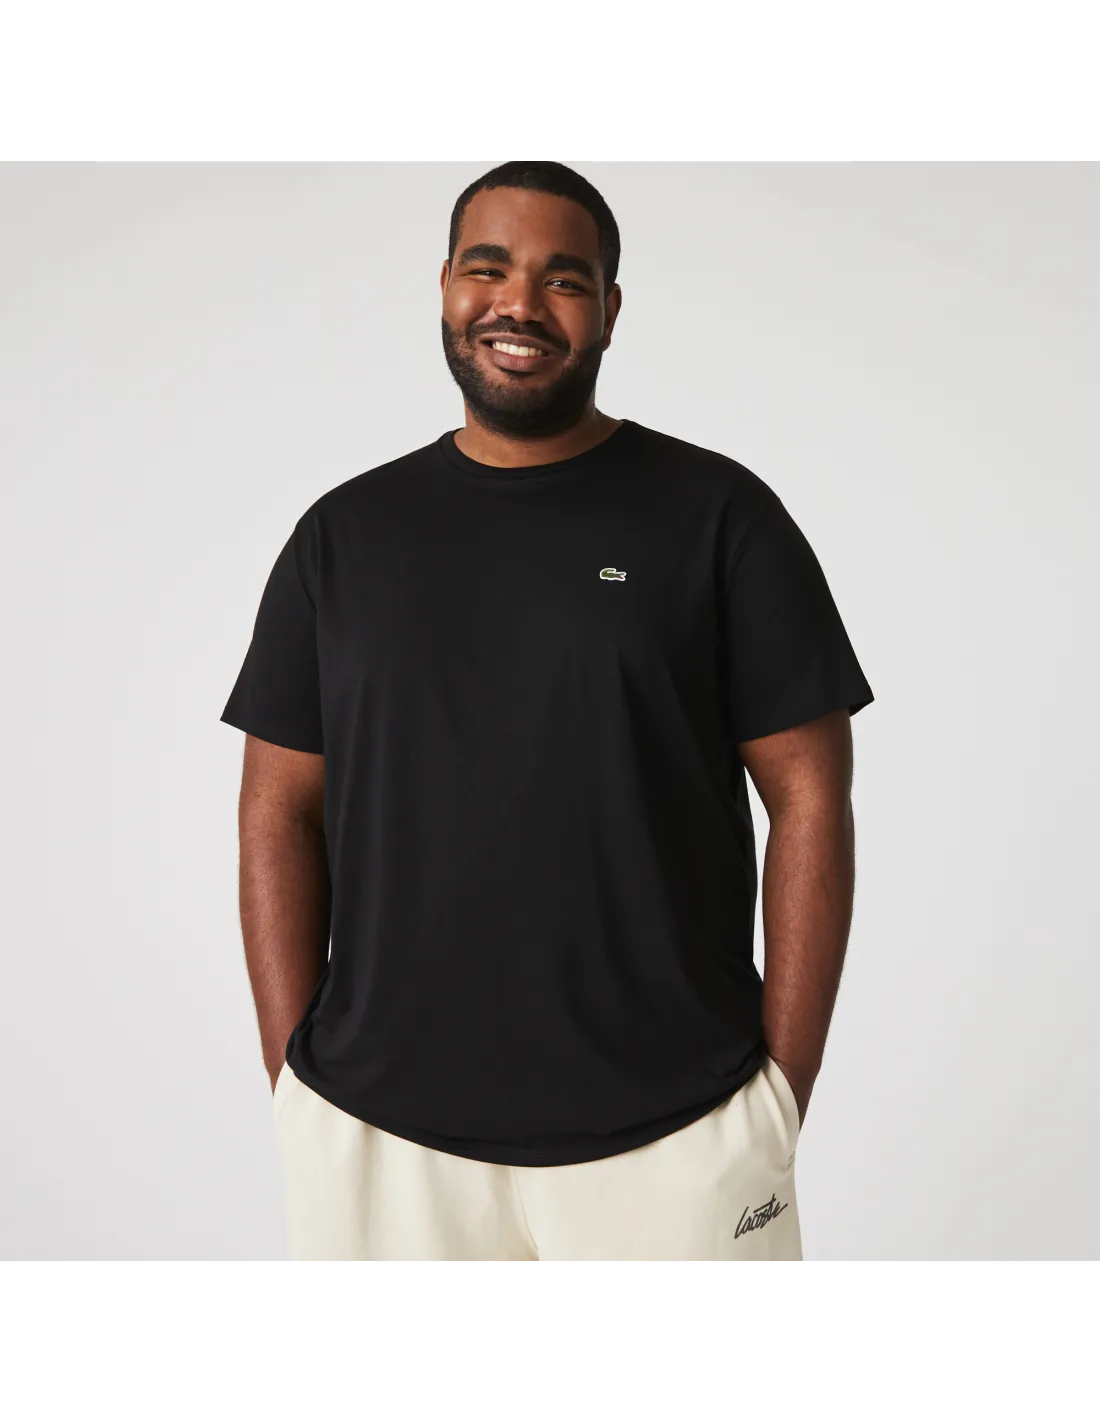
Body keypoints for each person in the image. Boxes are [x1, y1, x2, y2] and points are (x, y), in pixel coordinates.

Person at [220, 159, 875, 1263]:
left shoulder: (718, 517)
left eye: (562, 280)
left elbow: (811, 795)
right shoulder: (343, 536)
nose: (518, 303)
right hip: (377, 1136)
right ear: (444, 288)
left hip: (679, 1131)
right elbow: (275, 809)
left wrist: (776, 1095)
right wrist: (296, 1082)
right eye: (488, 269)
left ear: (609, 311)